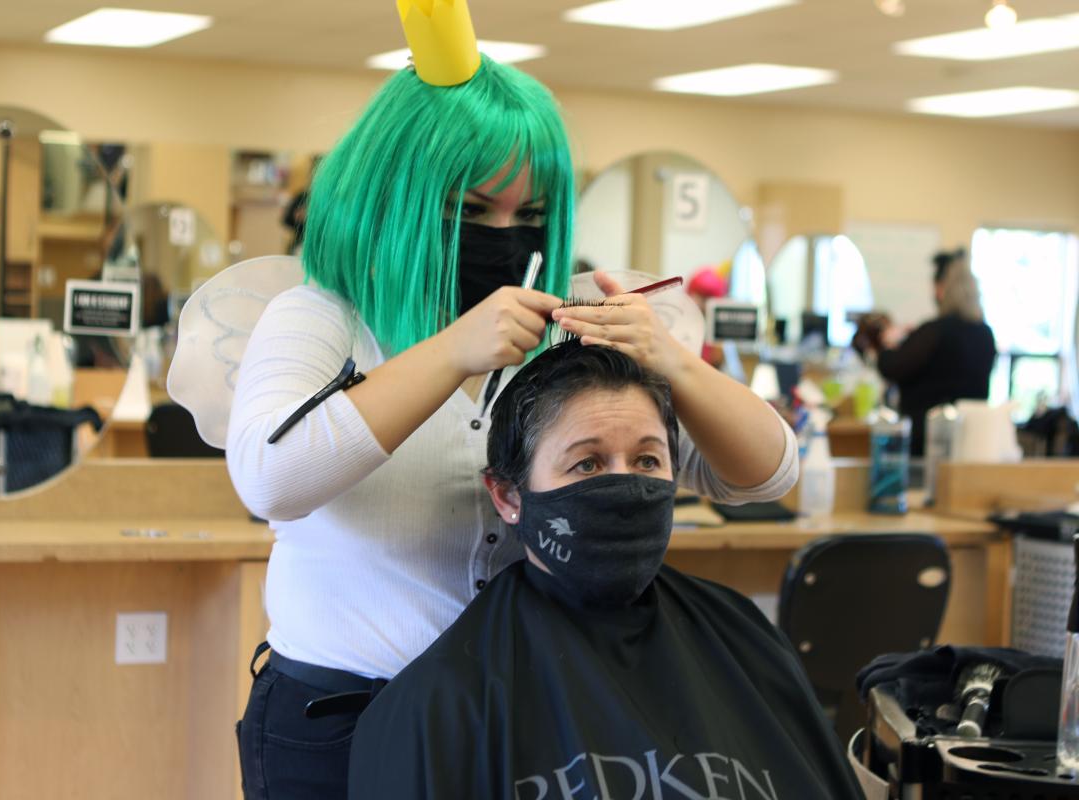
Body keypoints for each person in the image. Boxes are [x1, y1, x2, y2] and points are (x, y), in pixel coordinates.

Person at [226, 3, 796, 797]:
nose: (504, 233)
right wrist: (451, 350)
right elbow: (268, 479)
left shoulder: (563, 331)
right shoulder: (321, 319)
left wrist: (673, 363)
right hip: (344, 718)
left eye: (528, 216)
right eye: (470, 211)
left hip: (522, 722)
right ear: (398, 203)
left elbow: (762, 474)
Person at [348, 340, 861, 799]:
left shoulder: (743, 637)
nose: (626, 487)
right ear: (508, 497)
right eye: (587, 464)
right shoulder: (442, 705)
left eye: (646, 461)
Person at [876, 249, 997, 455]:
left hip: (926, 442)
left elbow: (891, 367)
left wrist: (888, 343)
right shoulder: (986, 334)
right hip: (969, 442)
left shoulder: (934, 331)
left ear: (941, 289)